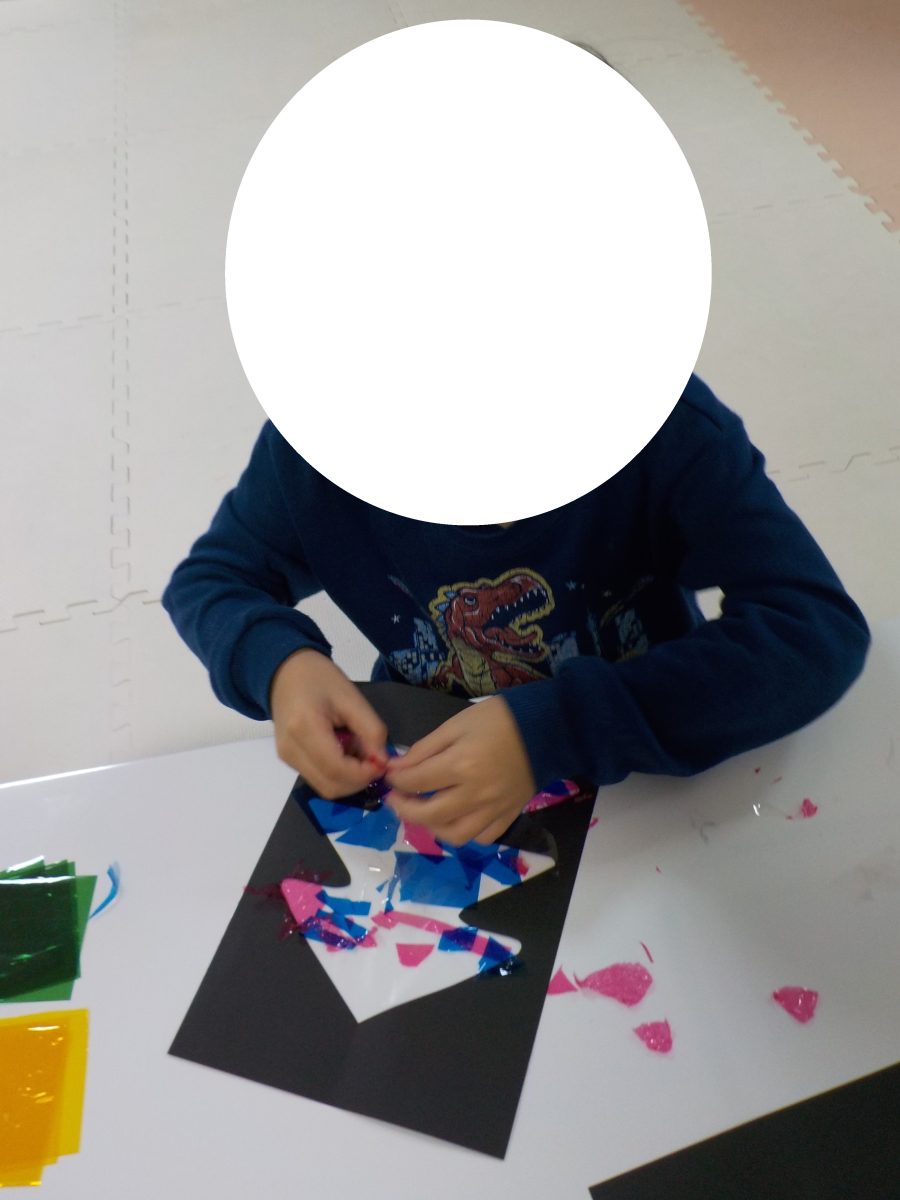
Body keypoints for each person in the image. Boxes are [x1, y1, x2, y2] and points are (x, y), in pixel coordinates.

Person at [162, 372, 870, 846]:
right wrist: (280, 665)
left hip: (650, 783)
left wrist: (562, 726)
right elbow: (210, 579)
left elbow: (814, 631)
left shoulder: (666, 426)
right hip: (431, 776)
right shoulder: (310, 450)